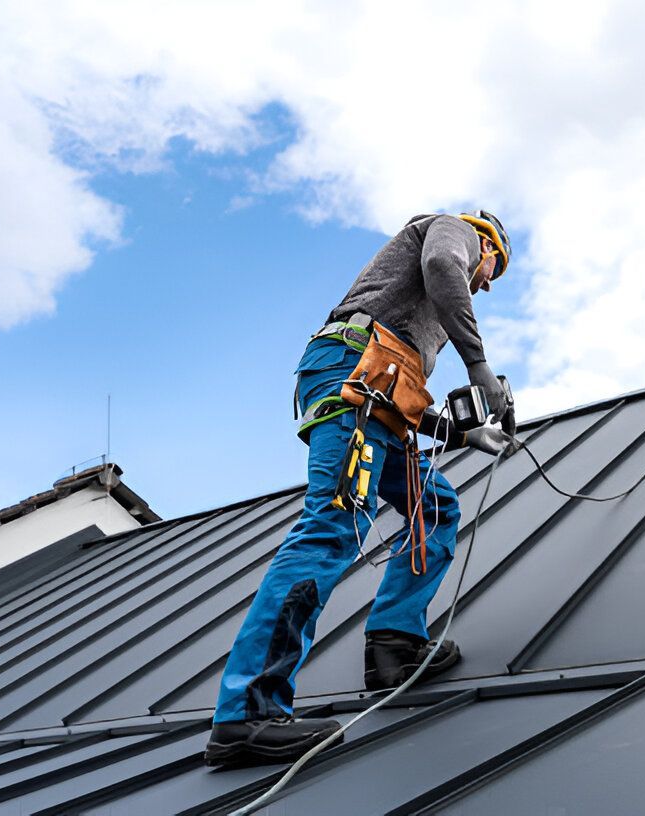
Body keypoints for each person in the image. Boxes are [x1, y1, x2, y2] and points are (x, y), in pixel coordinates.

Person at [205, 211, 514, 767]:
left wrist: (464, 434)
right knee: (333, 524)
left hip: (371, 390)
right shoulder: (453, 230)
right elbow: (445, 264)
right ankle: (246, 714)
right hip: (352, 374)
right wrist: (479, 364)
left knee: (435, 506)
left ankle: (395, 643)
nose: (487, 281)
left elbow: (394, 391)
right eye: (496, 266)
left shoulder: (415, 324)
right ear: (484, 240)